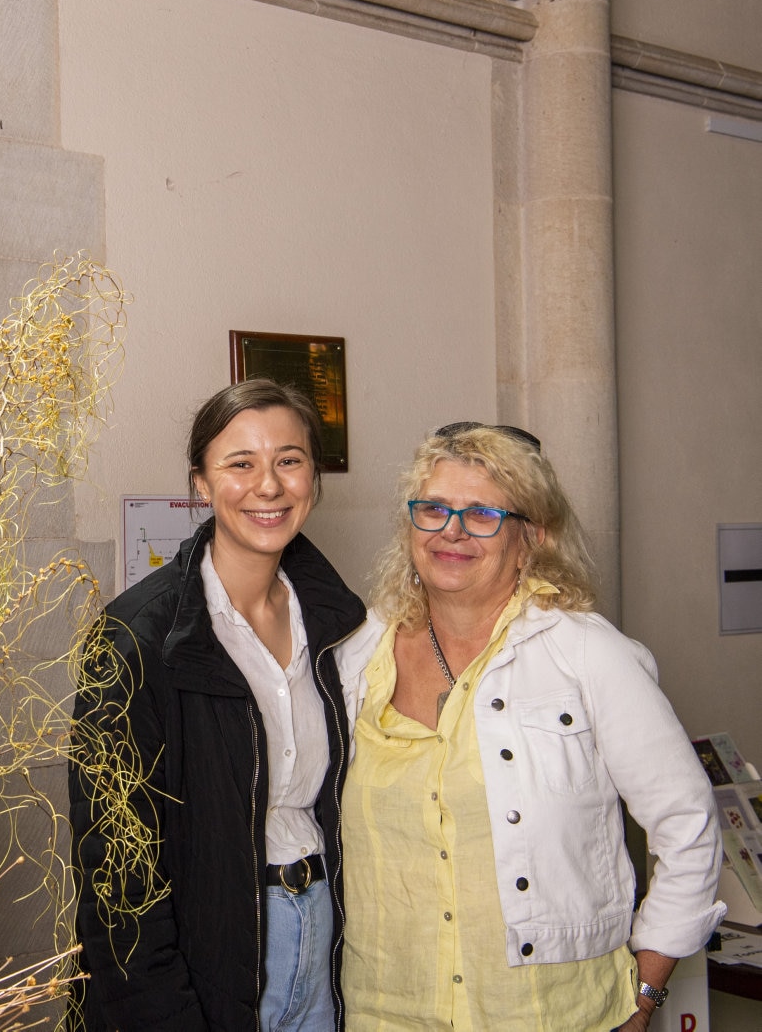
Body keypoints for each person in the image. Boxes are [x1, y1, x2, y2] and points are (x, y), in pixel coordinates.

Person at [335, 422, 724, 1031]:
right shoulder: (357, 655)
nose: (452, 532)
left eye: (483, 514)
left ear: (532, 536)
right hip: (385, 1011)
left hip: (556, 1014)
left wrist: (644, 995)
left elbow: (689, 825)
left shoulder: (588, 655)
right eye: (433, 509)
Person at [69, 379, 366, 1032]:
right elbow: (115, 875)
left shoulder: (343, 625)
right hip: (206, 960)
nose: (269, 485)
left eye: (289, 459)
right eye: (241, 463)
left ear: (313, 476)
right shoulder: (135, 638)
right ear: (200, 483)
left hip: (324, 938)